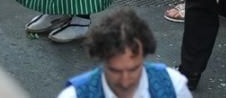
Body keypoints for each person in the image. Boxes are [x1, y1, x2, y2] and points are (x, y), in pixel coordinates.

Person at [59, 7, 191, 97]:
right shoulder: (74, 95)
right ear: (102, 59)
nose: (125, 81)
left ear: (144, 55)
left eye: (134, 69)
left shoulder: (175, 86)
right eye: (115, 71)